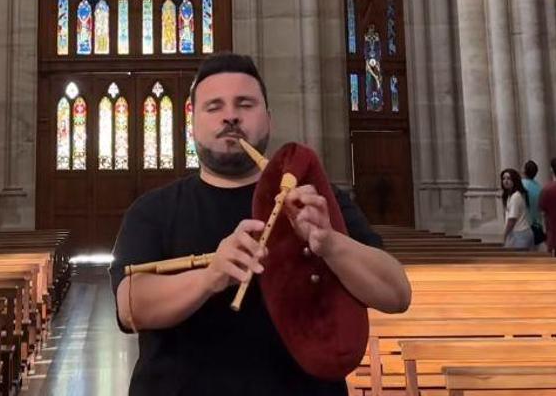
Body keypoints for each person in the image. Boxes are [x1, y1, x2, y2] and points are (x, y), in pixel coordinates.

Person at [108, 53, 412, 396]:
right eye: (214, 106)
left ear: (268, 118)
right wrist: (211, 276)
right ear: (192, 123)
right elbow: (130, 308)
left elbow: (397, 294)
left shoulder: (320, 201)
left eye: (245, 104)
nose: (231, 115)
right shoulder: (153, 211)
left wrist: (329, 244)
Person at [500, 168, 534, 250]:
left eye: (508, 178)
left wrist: (504, 235)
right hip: (517, 233)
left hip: (521, 233)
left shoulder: (516, 196)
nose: (505, 181)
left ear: (514, 180)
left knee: (520, 260)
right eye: (503, 178)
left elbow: (512, 219)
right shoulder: (509, 195)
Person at [521, 160, 545, 250]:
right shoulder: (539, 187)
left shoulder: (521, 185)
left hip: (525, 226)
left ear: (524, 171)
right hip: (537, 225)